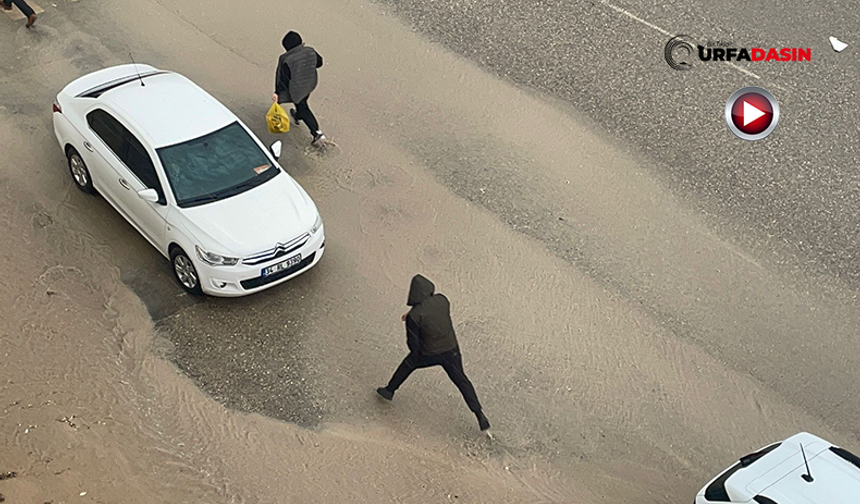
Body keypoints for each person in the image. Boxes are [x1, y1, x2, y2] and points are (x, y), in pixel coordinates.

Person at [377, 274, 491, 431]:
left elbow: (413, 345)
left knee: (408, 364)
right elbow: (430, 313)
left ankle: (389, 390)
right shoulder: (443, 300)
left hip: (430, 353)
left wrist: (411, 321)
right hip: (451, 350)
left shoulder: (414, 316)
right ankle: (480, 415)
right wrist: (413, 314)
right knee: (462, 380)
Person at [272, 31, 326, 147]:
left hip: (297, 89)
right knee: (303, 102)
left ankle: (317, 133)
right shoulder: (310, 51)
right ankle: (297, 116)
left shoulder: (285, 59)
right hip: (311, 83)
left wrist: (277, 92)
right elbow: (319, 63)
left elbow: (282, 78)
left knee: (303, 106)